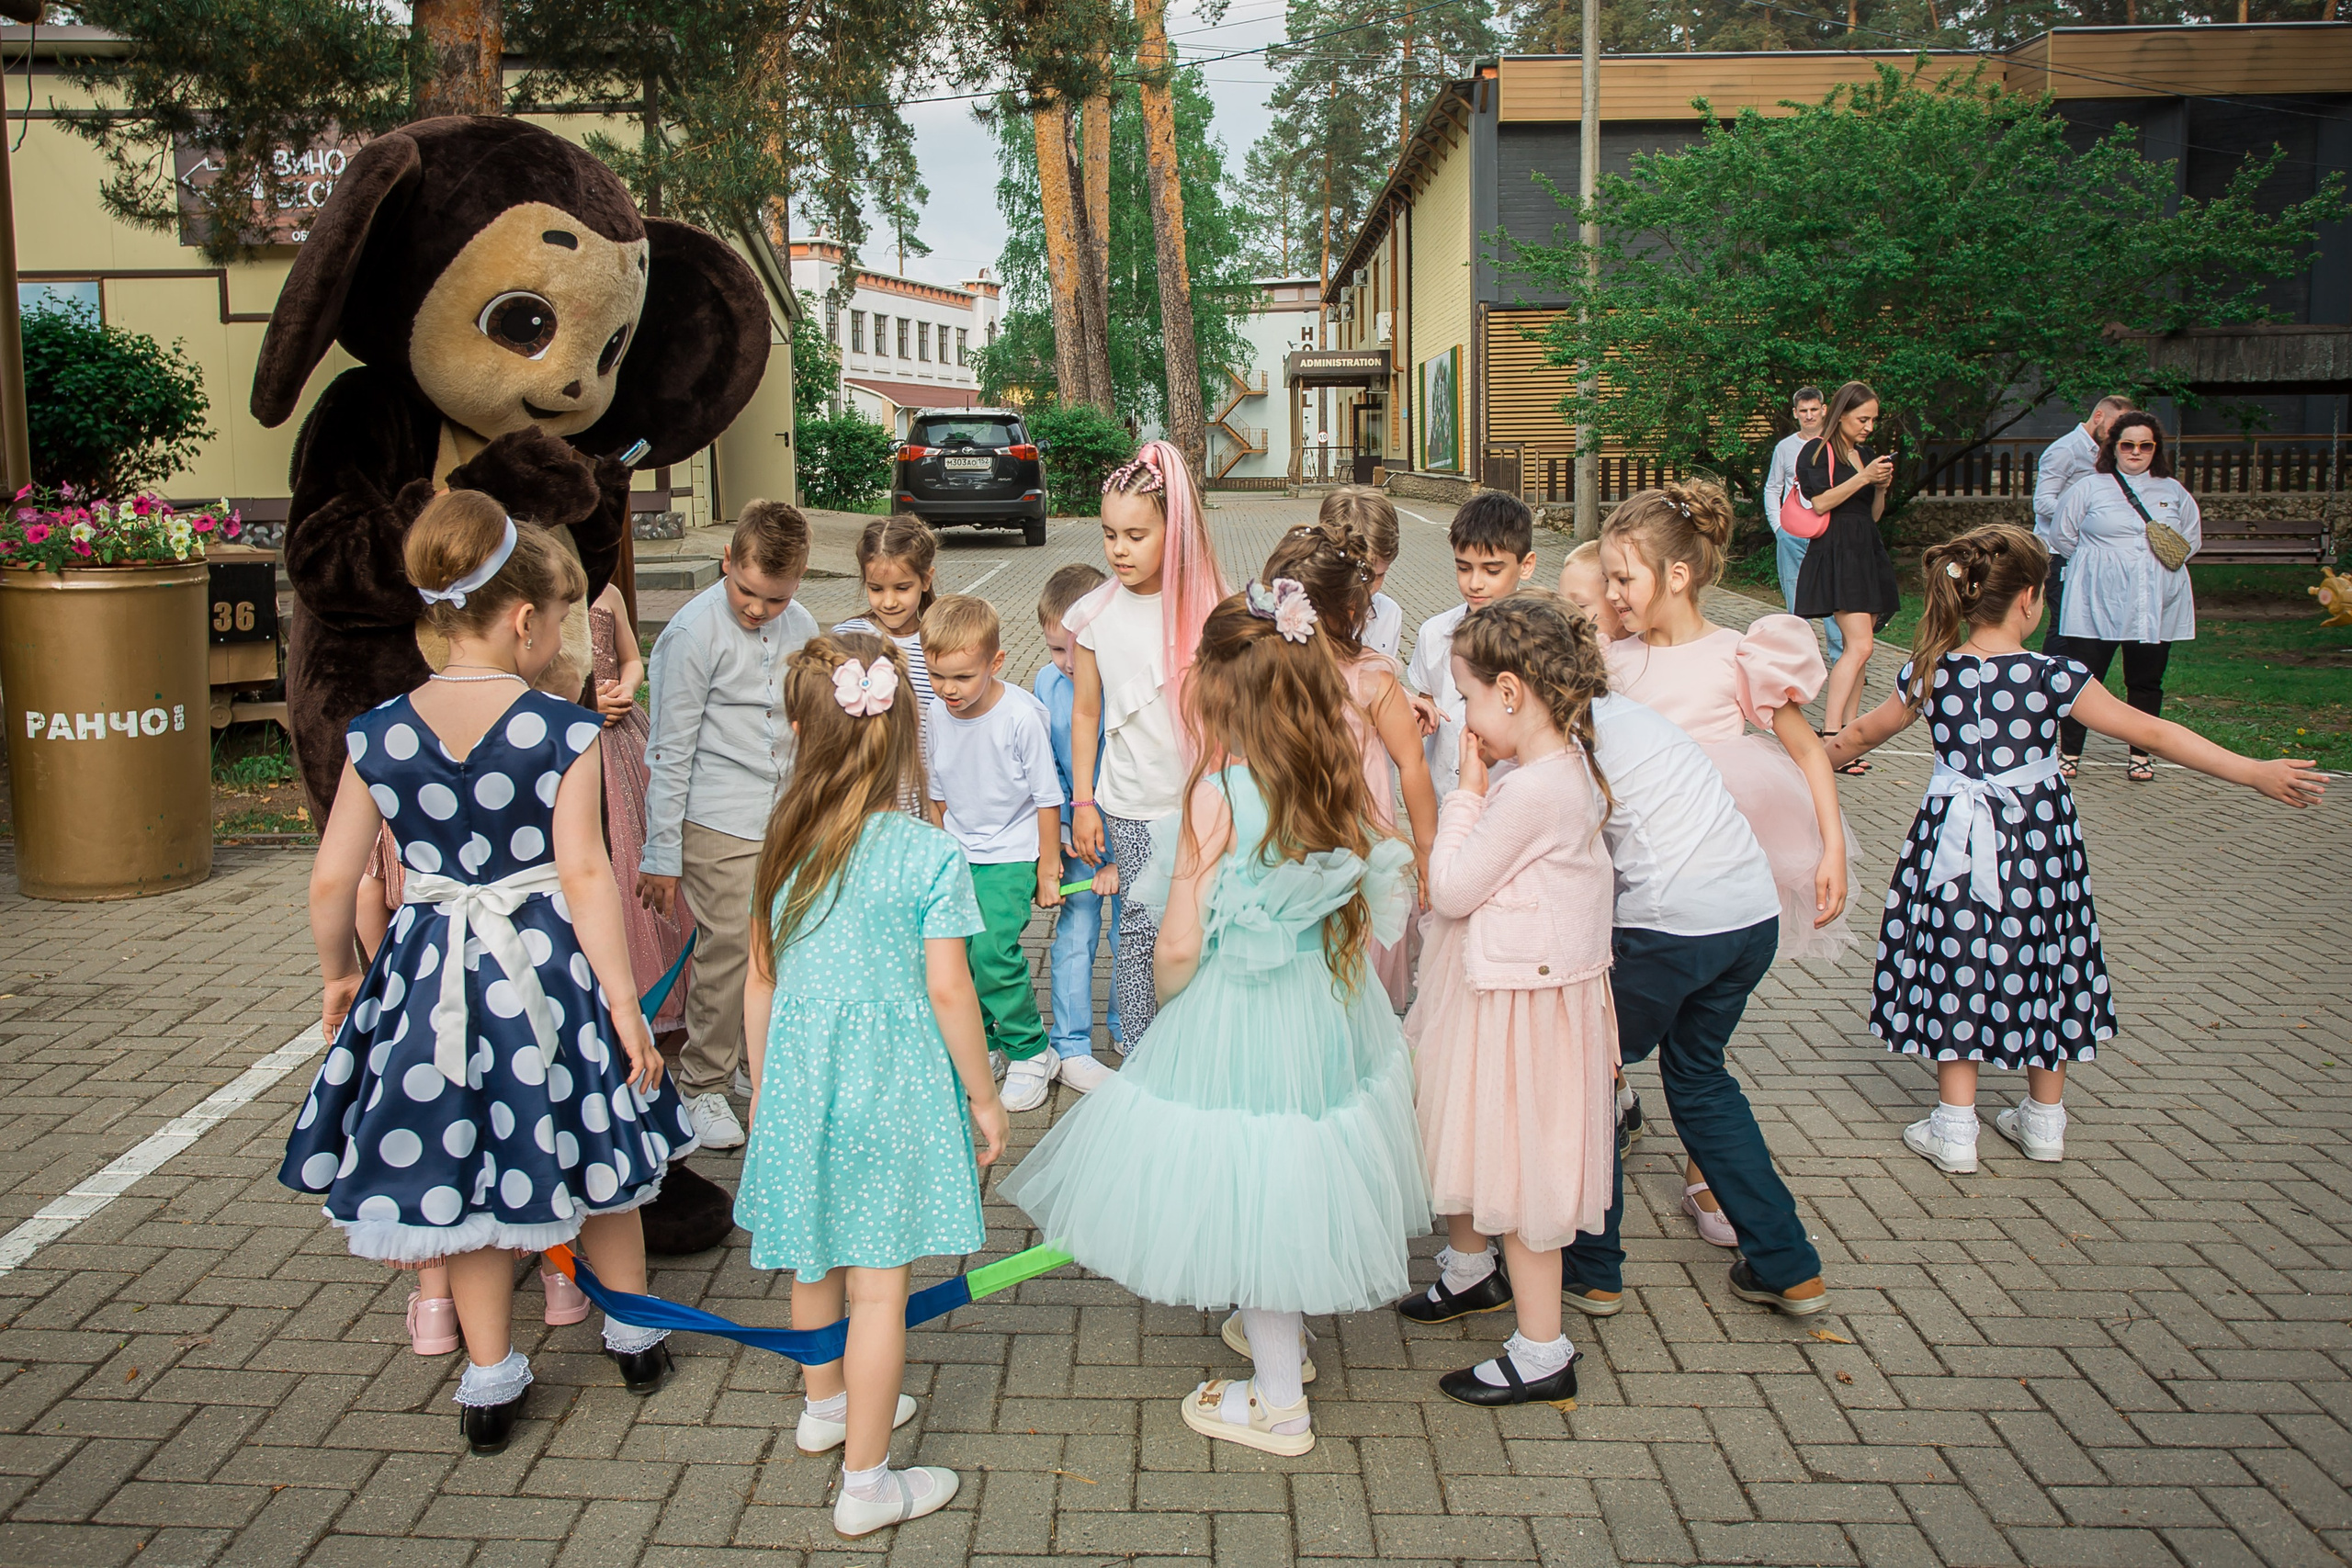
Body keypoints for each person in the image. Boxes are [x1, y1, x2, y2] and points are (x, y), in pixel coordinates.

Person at [280, 491, 697, 1457]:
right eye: (557, 620)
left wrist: (339, 979)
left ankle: (488, 1369)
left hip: (428, 979)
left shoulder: (377, 732)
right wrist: (625, 1006)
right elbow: (587, 874)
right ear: (523, 619)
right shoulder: (562, 731)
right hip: (547, 971)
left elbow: (333, 880)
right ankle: (632, 1332)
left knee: (454, 1173)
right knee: (595, 1149)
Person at [1002, 588, 1429, 1457]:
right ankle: (1285, 1338)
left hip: (1239, 1009)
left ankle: (1279, 1403)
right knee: (1295, 1166)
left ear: (1221, 693)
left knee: (1256, 1183)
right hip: (1326, 1003)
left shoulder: (1216, 792)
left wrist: (1168, 1005)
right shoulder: (1332, 773)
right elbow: (1379, 869)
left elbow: (1180, 939)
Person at [1827, 525, 2322, 1172]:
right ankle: (2044, 1120)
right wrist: (2251, 770)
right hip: (2038, 842)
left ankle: (1954, 1125)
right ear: (2031, 598)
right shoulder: (2056, 674)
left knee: (1959, 953)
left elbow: (1860, 734)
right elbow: (2150, 730)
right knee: (2047, 948)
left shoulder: (1928, 672)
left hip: (1950, 837)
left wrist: (1801, 759)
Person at [734, 631, 1009, 1538]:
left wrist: (767, 1089)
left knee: (813, 1253)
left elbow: (761, 980)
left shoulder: (782, 842)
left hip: (801, 1079)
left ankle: (824, 1406)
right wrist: (982, 1094)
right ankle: (867, 1483)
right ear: (900, 737)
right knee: (879, 1290)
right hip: (888, 1084)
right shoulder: (926, 853)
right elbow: (946, 987)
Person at [1399, 593, 1618, 1407]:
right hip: (1515, 996)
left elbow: (1453, 886)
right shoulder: (1563, 770)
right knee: (1476, 1141)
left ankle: (1541, 1349)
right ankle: (1468, 1273)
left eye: (1468, 695)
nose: (1463, 713)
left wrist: (1463, 790)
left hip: (1517, 1012)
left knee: (1519, 1170)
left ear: (1513, 692)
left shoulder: (1528, 790)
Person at [638, 502, 818, 1152]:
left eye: (774, 597)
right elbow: (670, 747)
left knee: (780, 944)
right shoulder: (691, 634)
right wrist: (660, 850)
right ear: (726, 562)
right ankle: (701, 1082)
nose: (757, 609)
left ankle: (751, 1060)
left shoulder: (801, 625)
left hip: (785, 814)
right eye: (746, 591)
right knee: (730, 947)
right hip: (716, 816)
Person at [1067, 440, 1228, 1044]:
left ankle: (1198, 1043)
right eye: (1110, 534)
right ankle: (1140, 1049)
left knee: (1198, 925)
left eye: (1136, 534)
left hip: (1202, 799)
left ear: (1175, 528)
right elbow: (1086, 714)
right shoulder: (1091, 615)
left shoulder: (1211, 606)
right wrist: (1083, 801)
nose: (1119, 549)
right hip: (1130, 803)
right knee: (1137, 926)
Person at [1264, 517, 1438, 1011]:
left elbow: (1412, 764)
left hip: (1360, 844)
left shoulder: (1372, 678)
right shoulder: (1268, 670)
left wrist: (1427, 851)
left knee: (1356, 959)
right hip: (1288, 837)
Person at [922, 594, 1066, 1111]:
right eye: (938, 676)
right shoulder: (937, 715)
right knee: (952, 955)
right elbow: (937, 793)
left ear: (995, 663)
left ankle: (1031, 1049)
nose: (948, 690)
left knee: (992, 952)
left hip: (1012, 850)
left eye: (962, 677)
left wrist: (1048, 868)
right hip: (959, 851)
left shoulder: (1020, 717)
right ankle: (983, 1047)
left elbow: (1049, 798)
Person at [2051, 412, 2200, 783]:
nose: (2136, 452)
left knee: (2146, 681)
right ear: (2113, 447)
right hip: (2095, 601)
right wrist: (2104, 564)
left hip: (2153, 603)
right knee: (2085, 679)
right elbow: (2062, 537)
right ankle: (2069, 752)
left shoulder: (2173, 491)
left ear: (2156, 449)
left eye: (2145, 445)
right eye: (2127, 444)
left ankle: (2141, 755)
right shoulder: (2089, 487)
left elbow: (2190, 540)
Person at [1033, 564, 1124, 1092]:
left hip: (1125, 826)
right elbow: (1047, 765)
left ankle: (1127, 1025)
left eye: (1075, 650)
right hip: (1074, 835)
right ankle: (1070, 1042)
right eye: (1054, 650)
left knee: (1130, 931)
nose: (1066, 664)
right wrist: (1062, 828)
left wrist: (1116, 851)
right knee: (1076, 931)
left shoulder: (1121, 680)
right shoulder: (1047, 683)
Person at [590, 581, 693, 1041]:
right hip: (577, 730)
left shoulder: (607, 593)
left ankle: (662, 988)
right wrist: (586, 703)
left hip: (623, 732)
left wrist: (625, 688)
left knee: (641, 841)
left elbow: (632, 659)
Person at [1406, 493, 1541, 797]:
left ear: (1526, 564)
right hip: (1444, 798)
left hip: (1509, 805)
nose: (1475, 583)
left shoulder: (1541, 644)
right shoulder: (1435, 633)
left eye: (1492, 570)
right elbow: (1427, 704)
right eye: (1464, 568)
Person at [1791, 380, 1901, 747]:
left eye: (1873, 420)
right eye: (1863, 419)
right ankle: (1832, 733)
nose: (1869, 427)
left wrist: (1880, 487)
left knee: (1863, 649)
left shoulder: (1866, 455)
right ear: (1841, 415)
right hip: (1837, 551)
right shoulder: (1816, 452)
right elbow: (1820, 503)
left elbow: (1873, 514)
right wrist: (1864, 478)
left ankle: (1849, 734)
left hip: (1865, 550)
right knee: (1859, 646)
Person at [2032, 395, 2135, 654]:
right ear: (2098, 416)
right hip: (2059, 554)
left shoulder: (2106, 451)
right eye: (2115, 427)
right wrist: (2088, 516)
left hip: (2088, 552)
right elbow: (2042, 503)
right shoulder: (2065, 450)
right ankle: (2050, 685)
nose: (2117, 434)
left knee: (2087, 625)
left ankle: (2074, 685)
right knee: (2064, 625)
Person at [834, 514, 940, 730]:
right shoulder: (844, 639)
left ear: (926, 580)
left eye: (902, 588)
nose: (889, 602)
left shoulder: (941, 643)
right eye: (876, 589)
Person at [1761, 385, 1843, 664]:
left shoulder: (1836, 444)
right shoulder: (1784, 448)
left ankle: (1842, 658)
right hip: (1793, 534)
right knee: (1797, 600)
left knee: (1835, 595)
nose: (1809, 416)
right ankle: (1804, 662)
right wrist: (1778, 527)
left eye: (1814, 410)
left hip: (1829, 532)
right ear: (1795, 413)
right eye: (1803, 411)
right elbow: (1772, 488)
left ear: (1824, 410)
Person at [1318, 485, 1406, 658]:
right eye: (1357, 575)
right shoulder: (1300, 613)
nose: (1365, 588)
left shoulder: (1389, 614)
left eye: (1378, 575)